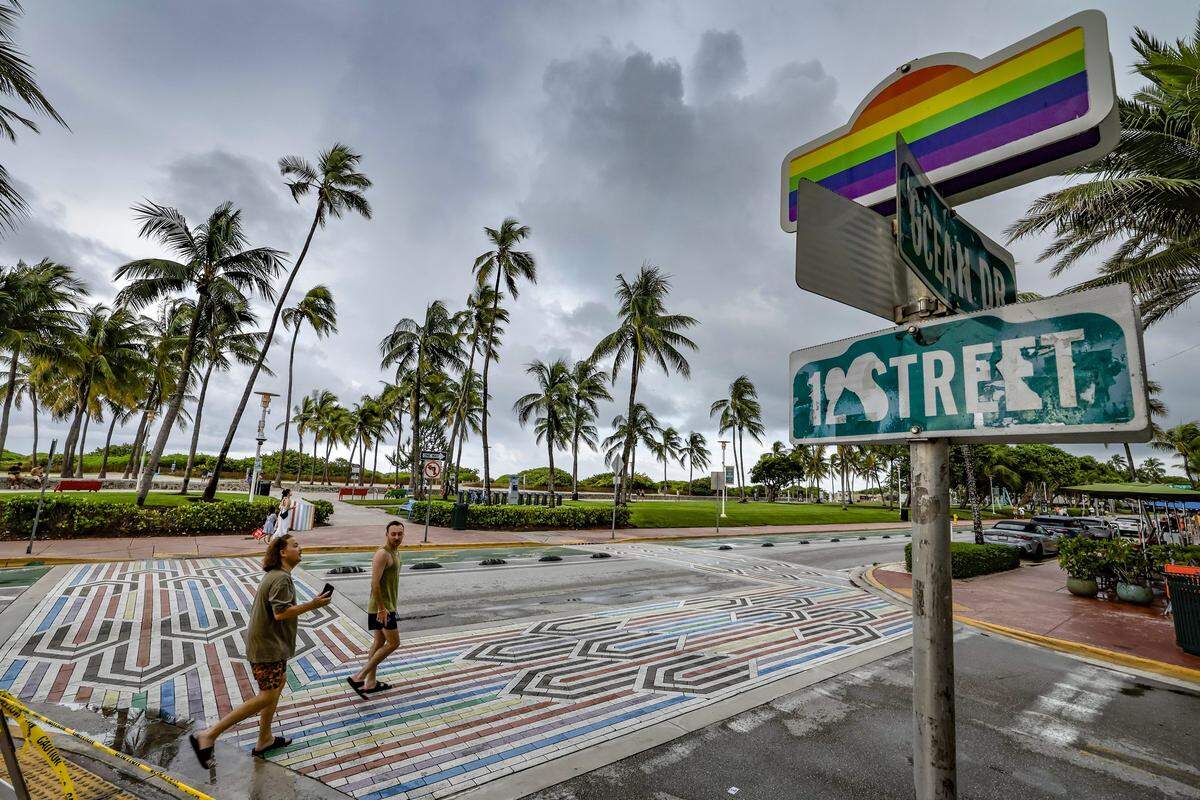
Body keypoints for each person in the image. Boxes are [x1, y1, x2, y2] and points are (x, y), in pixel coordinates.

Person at [189, 534, 331, 768]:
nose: (300, 548)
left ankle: (264, 738)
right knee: (266, 695)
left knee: (278, 684)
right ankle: (209, 735)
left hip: (270, 646)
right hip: (267, 648)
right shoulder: (281, 579)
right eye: (295, 546)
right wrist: (313, 604)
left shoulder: (277, 576)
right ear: (283, 552)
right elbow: (280, 613)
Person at [347, 520, 404, 697]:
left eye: (399, 534)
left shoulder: (395, 552)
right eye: (393, 534)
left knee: (379, 642)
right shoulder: (382, 554)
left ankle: (370, 683)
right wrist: (381, 608)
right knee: (394, 643)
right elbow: (374, 583)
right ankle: (359, 676)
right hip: (382, 608)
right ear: (386, 534)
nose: (396, 537)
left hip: (387, 607)